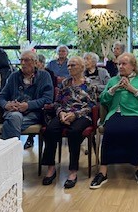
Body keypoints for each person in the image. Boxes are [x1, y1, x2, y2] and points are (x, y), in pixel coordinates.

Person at [90, 52, 138, 189]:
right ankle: (103, 172)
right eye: (119, 64)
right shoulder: (113, 80)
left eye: (124, 64)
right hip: (116, 113)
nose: (120, 66)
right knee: (110, 130)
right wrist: (113, 89)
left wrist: (132, 89)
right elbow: (103, 100)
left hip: (136, 114)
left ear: (133, 66)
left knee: (134, 130)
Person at [41, 56, 98, 189]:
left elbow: (92, 105)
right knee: (50, 130)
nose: (69, 68)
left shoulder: (90, 84)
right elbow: (57, 102)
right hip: (64, 113)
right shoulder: (64, 83)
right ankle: (51, 168)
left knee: (74, 132)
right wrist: (61, 113)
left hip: (82, 115)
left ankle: (73, 171)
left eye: (73, 65)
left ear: (82, 67)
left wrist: (75, 115)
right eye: (68, 65)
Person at [0, 50, 54, 140]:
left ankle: (9, 148)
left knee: (12, 121)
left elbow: (48, 99)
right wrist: (6, 105)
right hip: (13, 111)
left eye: (26, 60)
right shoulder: (13, 76)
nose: (23, 63)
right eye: (21, 60)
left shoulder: (44, 76)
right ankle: (12, 147)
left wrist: (28, 105)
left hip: (34, 113)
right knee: (15, 117)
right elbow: (1, 97)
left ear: (35, 63)